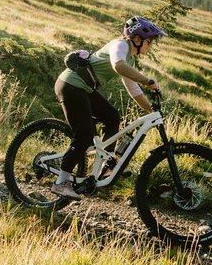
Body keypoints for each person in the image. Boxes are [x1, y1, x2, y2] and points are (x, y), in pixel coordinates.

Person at [52, 15, 166, 199]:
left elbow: (133, 89)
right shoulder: (120, 46)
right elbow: (117, 65)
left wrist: (151, 110)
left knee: (112, 116)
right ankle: (61, 182)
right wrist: (147, 80)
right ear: (137, 39)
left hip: (83, 88)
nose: (150, 46)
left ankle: (107, 166)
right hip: (70, 85)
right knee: (84, 134)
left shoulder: (129, 58)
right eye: (149, 42)